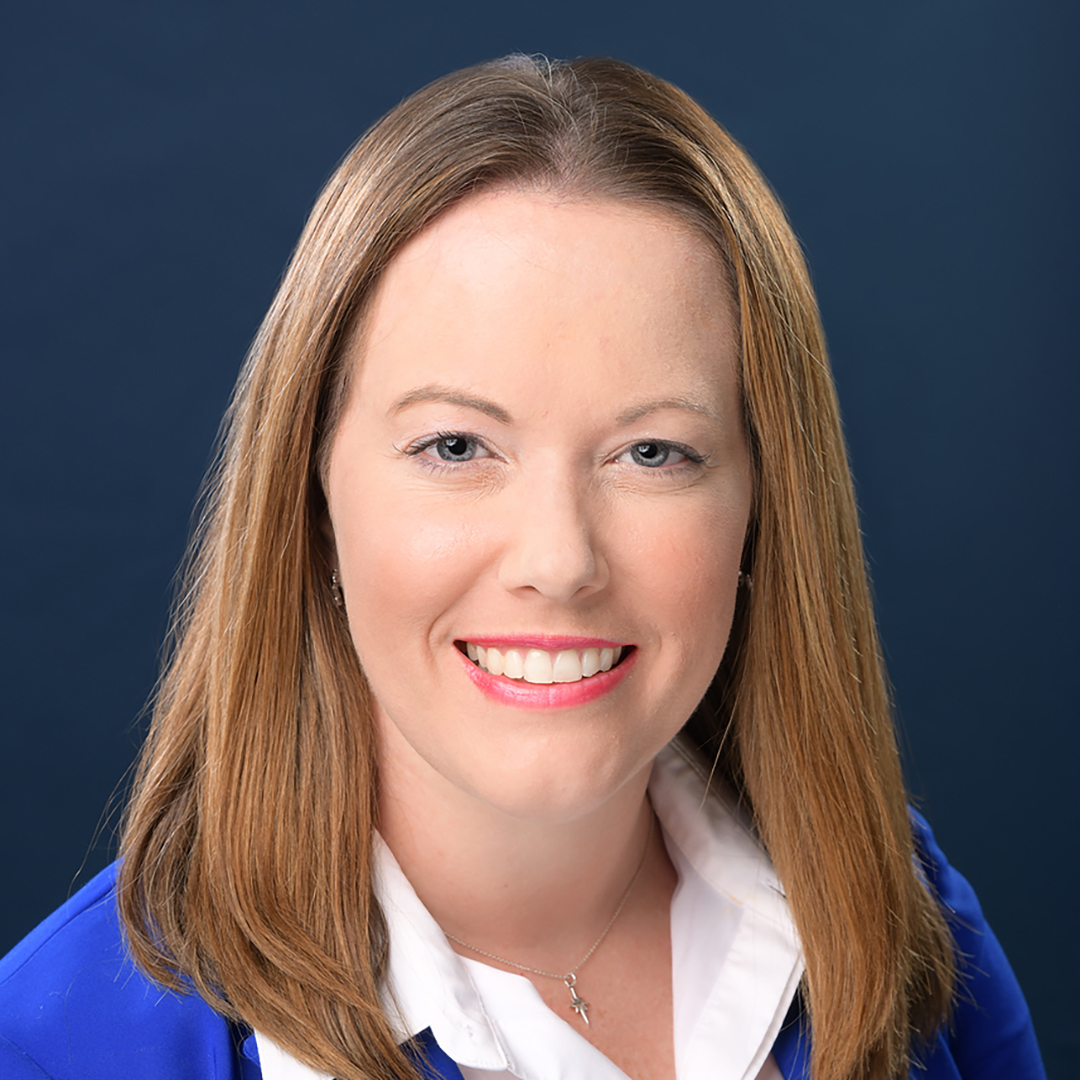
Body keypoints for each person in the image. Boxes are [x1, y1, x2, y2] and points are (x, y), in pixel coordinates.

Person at [0, 55, 1044, 1080]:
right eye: (455, 447)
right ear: (311, 499)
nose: (559, 561)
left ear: (764, 506)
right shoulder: (55, 1049)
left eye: (653, 453)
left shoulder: (902, 912)